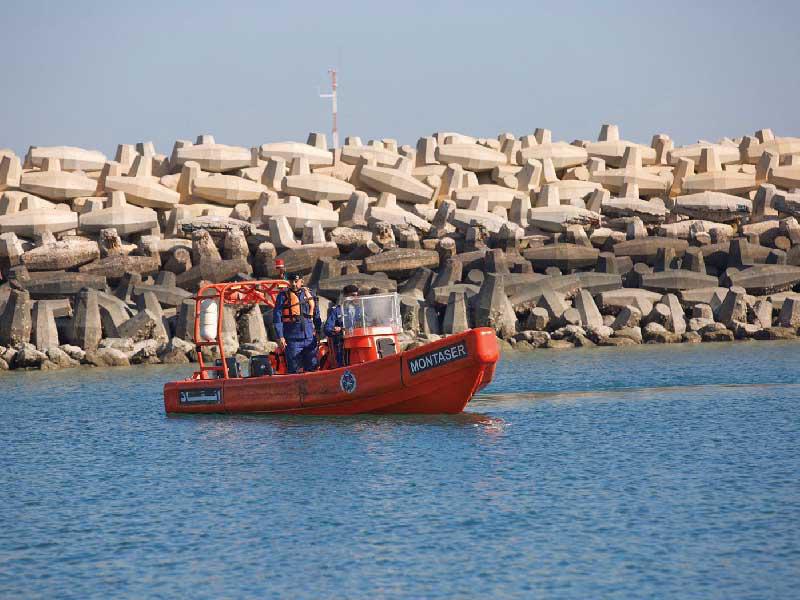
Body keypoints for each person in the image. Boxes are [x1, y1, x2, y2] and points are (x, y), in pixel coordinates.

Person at [273, 273, 322, 374]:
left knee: (313, 366)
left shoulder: (310, 294)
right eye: (291, 282)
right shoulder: (282, 296)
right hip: (292, 339)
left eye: (296, 281)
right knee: (294, 368)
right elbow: (277, 318)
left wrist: (318, 330)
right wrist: (280, 336)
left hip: (309, 337)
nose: (294, 284)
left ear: (302, 282)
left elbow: (316, 314)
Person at [324, 284, 359, 368]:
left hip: (357, 343)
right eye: (352, 296)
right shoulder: (336, 310)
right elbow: (327, 329)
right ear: (345, 296)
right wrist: (336, 329)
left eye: (356, 296)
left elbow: (366, 323)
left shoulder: (359, 310)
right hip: (342, 345)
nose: (355, 298)